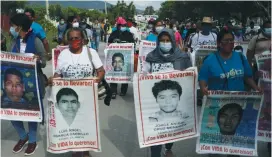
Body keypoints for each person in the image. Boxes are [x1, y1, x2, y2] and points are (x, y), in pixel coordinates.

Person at [48, 27, 105, 157]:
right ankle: (75, 150)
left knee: (86, 125)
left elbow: (101, 71)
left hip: (87, 97)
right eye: (71, 38)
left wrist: (96, 80)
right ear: (68, 40)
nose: (74, 40)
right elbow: (58, 74)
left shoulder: (91, 53)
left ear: (83, 40)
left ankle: (85, 150)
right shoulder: (63, 55)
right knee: (72, 125)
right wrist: (53, 80)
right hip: (70, 98)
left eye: (77, 38)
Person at [143, 28, 192, 157]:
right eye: (162, 40)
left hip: (174, 103)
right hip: (156, 102)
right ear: (158, 42)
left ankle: (168, 147)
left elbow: (188, 77)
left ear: (173, 41)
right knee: (156, 136)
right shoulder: (151, 57)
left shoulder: (182, 57)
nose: (165, 43)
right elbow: (144, 76)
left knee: (170, 132)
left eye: (167, 40)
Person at [9, 13, 47, 155]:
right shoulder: (14, 41)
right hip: (15, 84)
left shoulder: (36, 41)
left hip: (32, 83)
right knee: (12, 112)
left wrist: (37, 59)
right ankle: (22, 137)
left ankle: (32, 141)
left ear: (19, 27)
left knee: (31, 113)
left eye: (13, 26)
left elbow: (43, 61)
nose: (11, 28)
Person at [108, 17, 134, 99]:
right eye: (122, 25)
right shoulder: (114, 33)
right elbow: (109, 44)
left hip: (125, 57)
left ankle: (123, 91)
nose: (124, 26)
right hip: (114, 57)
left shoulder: (129, 34)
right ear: (118, 25)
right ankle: (113, 91)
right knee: (114, 74)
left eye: (125, 25)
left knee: (125, 75)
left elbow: (133, 45)